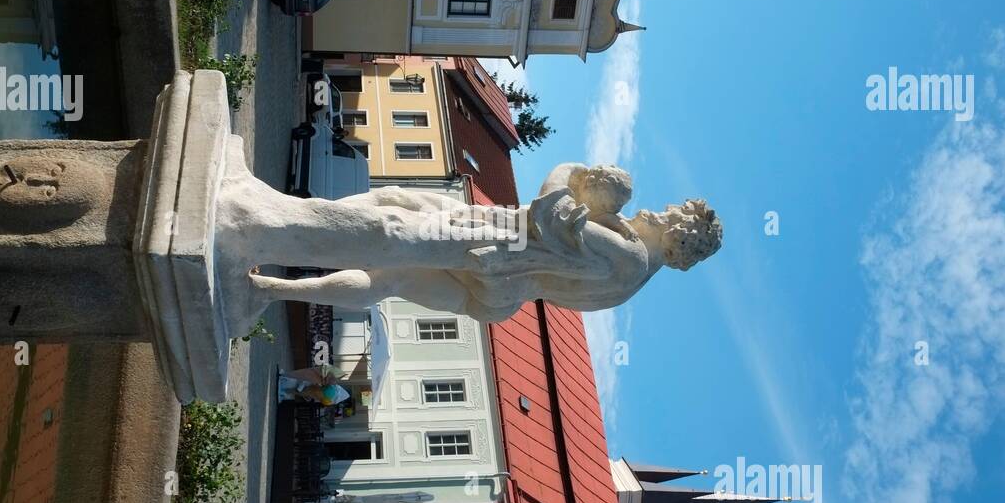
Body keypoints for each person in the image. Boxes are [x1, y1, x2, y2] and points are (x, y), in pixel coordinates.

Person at [236, 162, 722, 327]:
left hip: (500, 244)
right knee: (390, 271)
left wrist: (573, 174)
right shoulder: (629, 275)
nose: (661, 210)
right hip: (501, 292)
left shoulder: (632, 256)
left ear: (678, 239)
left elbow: (548, 216)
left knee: (391, 232)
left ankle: (257, 226)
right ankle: (269, 288)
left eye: (673, 214)